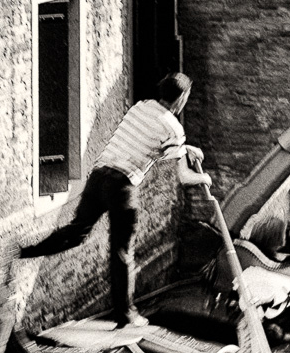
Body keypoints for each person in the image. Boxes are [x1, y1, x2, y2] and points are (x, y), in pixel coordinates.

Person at [18, 71, 211, 327]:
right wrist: (204, 179)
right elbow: (184, 177)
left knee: (77, 232)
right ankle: (127, 315)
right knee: (122, 252)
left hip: (99, 177)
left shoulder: (140, 108)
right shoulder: (174, 128)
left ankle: (23, 250)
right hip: (122, 186)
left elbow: (149, 144)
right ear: (182, 98)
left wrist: (185, 149)